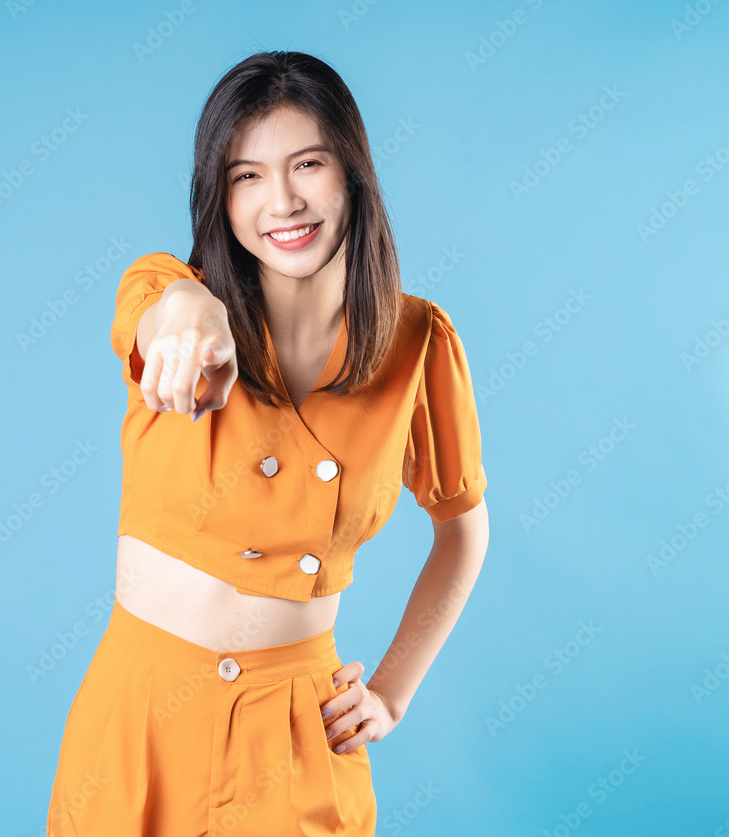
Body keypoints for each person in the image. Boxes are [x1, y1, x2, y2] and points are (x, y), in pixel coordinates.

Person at [46, 50, 490, 837]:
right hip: (140, 718)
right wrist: (188, 310)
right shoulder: (169, 296)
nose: (281, 201)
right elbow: (156, 310)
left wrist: (391, 690)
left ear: (352, 170)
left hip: (294, 725)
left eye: (307, 164)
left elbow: (463, 529)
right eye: (245, 176)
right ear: (218, 197)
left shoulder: (417, 341)